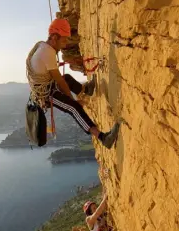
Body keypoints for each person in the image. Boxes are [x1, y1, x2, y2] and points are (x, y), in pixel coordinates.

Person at [26, 18, 120, 149]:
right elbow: (59, 82)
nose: (64, 45)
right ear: (54, 37)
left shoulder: (43, 46)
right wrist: (74, 100)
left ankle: (86, 89)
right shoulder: (47, 52)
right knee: (73, 108)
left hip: (46, 87)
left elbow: (61, 80)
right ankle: (103, 138)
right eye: (63, 40)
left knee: (67, 78)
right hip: (46, 94)